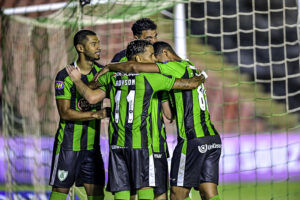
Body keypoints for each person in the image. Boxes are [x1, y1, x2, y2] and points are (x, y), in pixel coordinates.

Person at [66, 40, 206, 200]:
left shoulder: (112, 75)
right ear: (139, 59)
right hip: (141, 144)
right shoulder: (152, 77)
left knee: (122, 192)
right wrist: (200, 76)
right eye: (151, 55)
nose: (154, 58)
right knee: (146, 189)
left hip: (117, 144)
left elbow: (90, 96)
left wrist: (77, 81)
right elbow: (187, 85)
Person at [96, 41, 222, 200]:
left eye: (156, 58)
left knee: (176, 195)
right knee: (208, 192)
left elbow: (135, 67)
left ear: (165, 53)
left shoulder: (171, 67)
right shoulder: (189, 66)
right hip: (212, 138)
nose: (154, 63)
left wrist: (109, 67)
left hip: (192, 139)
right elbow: (169, 115)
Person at [110, 18, 170, 200]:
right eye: (149, 37)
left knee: (154, 190)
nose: (154, 41)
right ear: (136, 37)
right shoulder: (128, 60)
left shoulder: (117, 62)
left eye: (155, 36)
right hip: (141, 138)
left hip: (147, 137)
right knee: (147, 190)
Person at [49, 30, 108, 200]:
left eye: (99, 43)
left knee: (97, 195)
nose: (99, 48)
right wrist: (96, 114)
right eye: (93, 44)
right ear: (80, 48)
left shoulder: (102, 72)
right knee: (59, 194)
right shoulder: (65, 76)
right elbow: (65, 113)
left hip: (92, 148)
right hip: (68, 146)